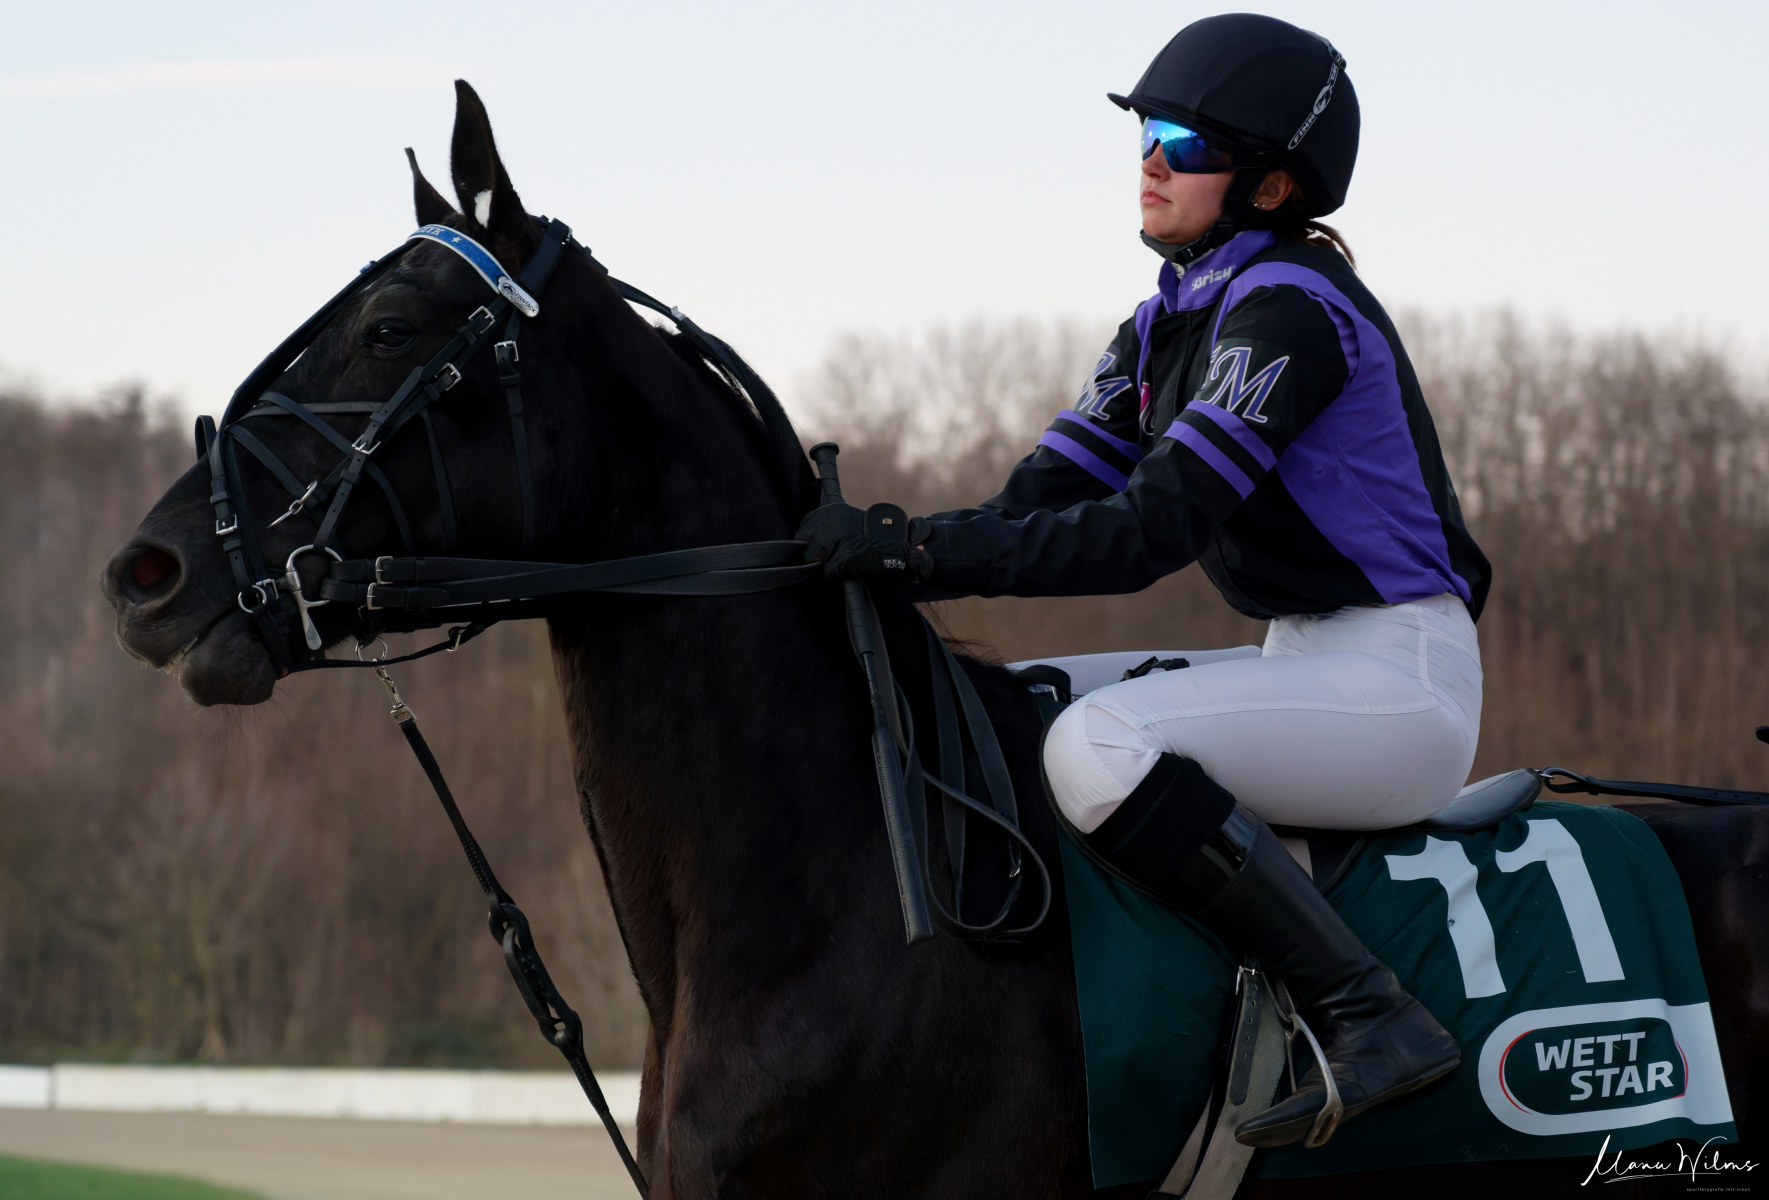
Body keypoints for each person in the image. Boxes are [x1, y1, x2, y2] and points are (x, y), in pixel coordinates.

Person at [798, 14, 1490, 1150]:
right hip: (1304, 659)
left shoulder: (1288, 313)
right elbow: (1033, 503)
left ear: (1271, 187)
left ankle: (1367, 1012)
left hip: (1399, 684)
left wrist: (918, 554)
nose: (1150, 161)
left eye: (1183, 142)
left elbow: (1141, 534)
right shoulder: (1164, 321)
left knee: (1095, 747)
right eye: (1144, 136)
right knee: (1010, 703)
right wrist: (868, 552)